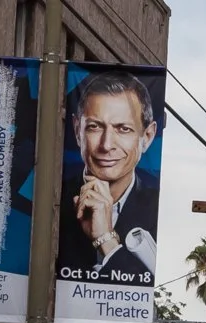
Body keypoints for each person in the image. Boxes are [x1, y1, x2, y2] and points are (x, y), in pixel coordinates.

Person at [57, 70, 159, 283]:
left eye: (123, 129)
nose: (106, 145)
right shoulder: (53, 200)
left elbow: (143, 292)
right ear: (77, 131)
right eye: (94, 127)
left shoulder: (158, 209)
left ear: (147, 137)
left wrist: (106, 240)